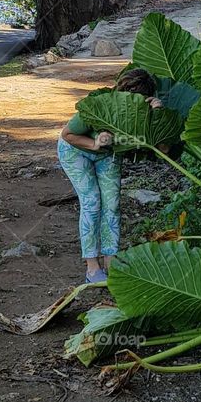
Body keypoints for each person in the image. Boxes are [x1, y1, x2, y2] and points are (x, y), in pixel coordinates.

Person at [58, 67, 162, 284]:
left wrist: (157, 114)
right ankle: (92, 266)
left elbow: (163, 148)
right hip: (77, 151)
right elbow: (67, 135)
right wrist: (95, 143)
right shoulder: (101, 105)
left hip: (108, 155)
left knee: (112, 204)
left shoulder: (146, 112)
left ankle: (111, 260)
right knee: (92, 202)